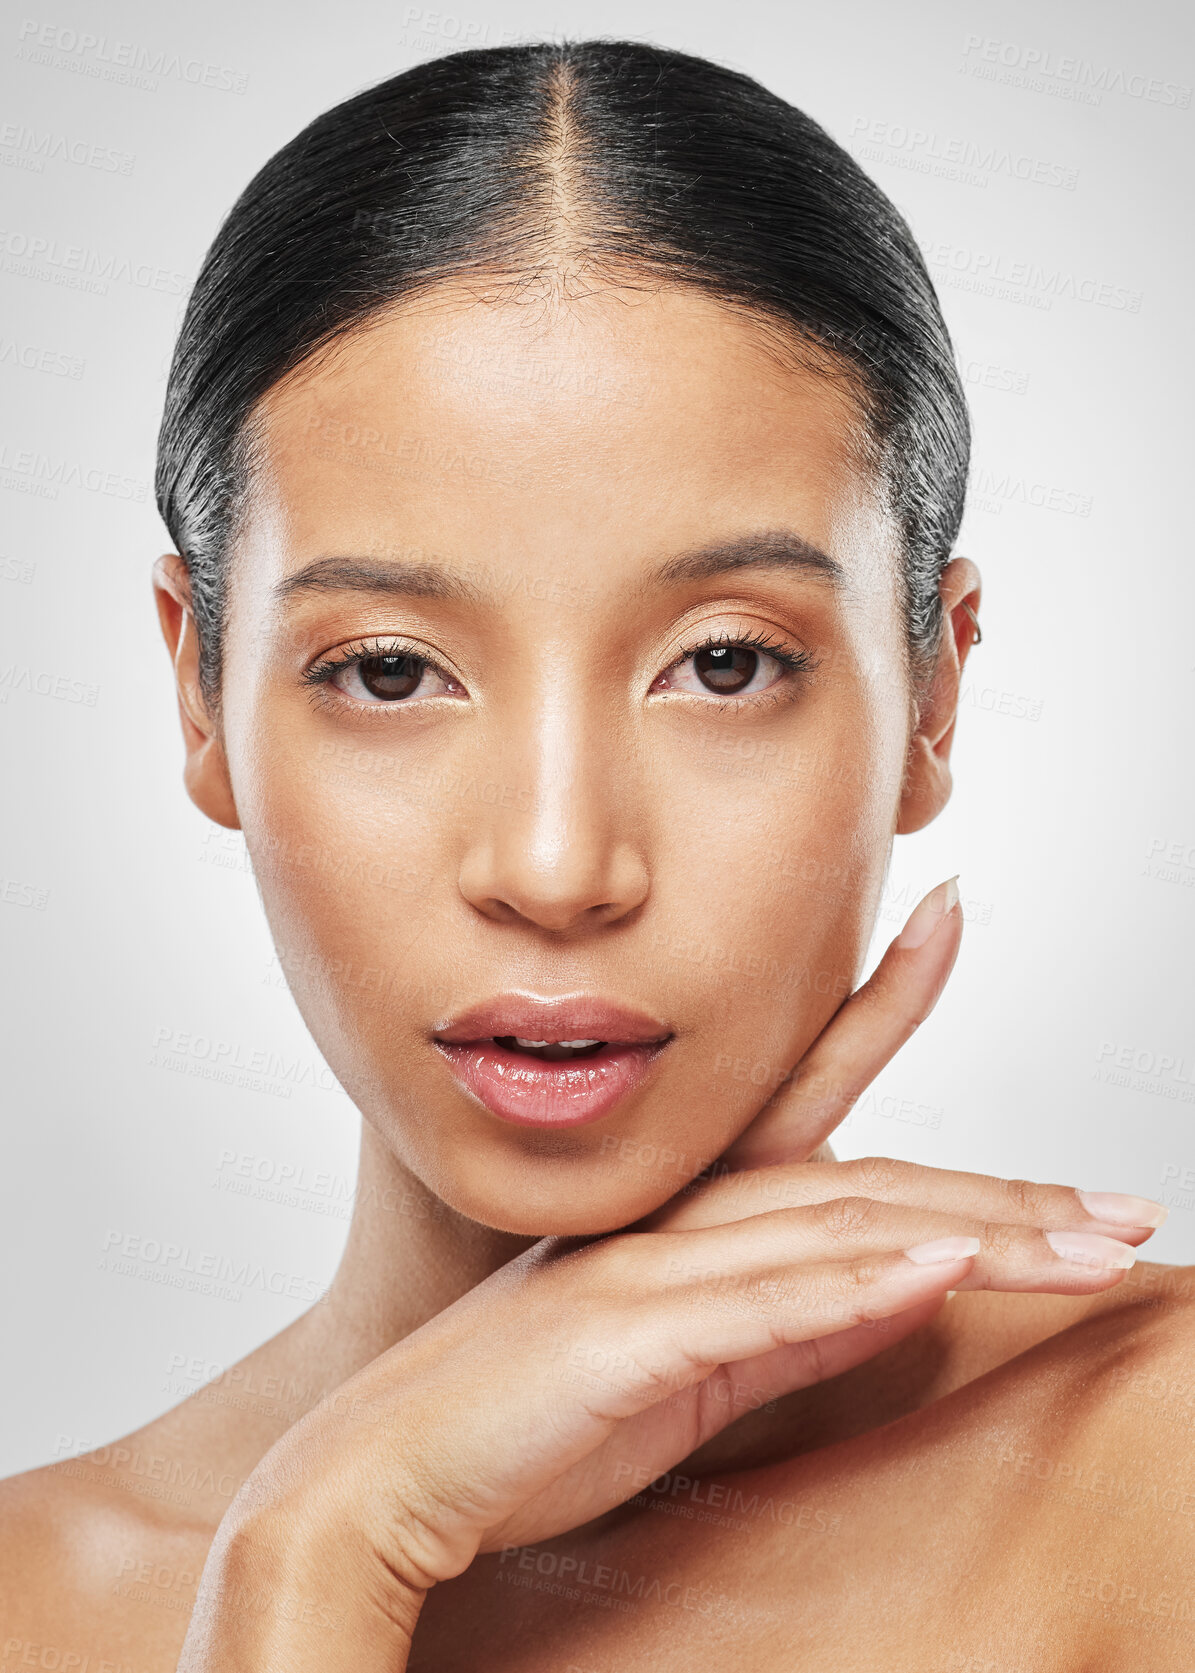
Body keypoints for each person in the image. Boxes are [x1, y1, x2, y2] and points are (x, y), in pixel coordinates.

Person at [2, 39, 1189, 1671]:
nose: (558, 867)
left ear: (937, 690)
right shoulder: (32, 1597)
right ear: (198, 692)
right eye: (392, 670)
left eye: (722, 661)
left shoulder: (1156, 1463)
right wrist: (323, 1547)